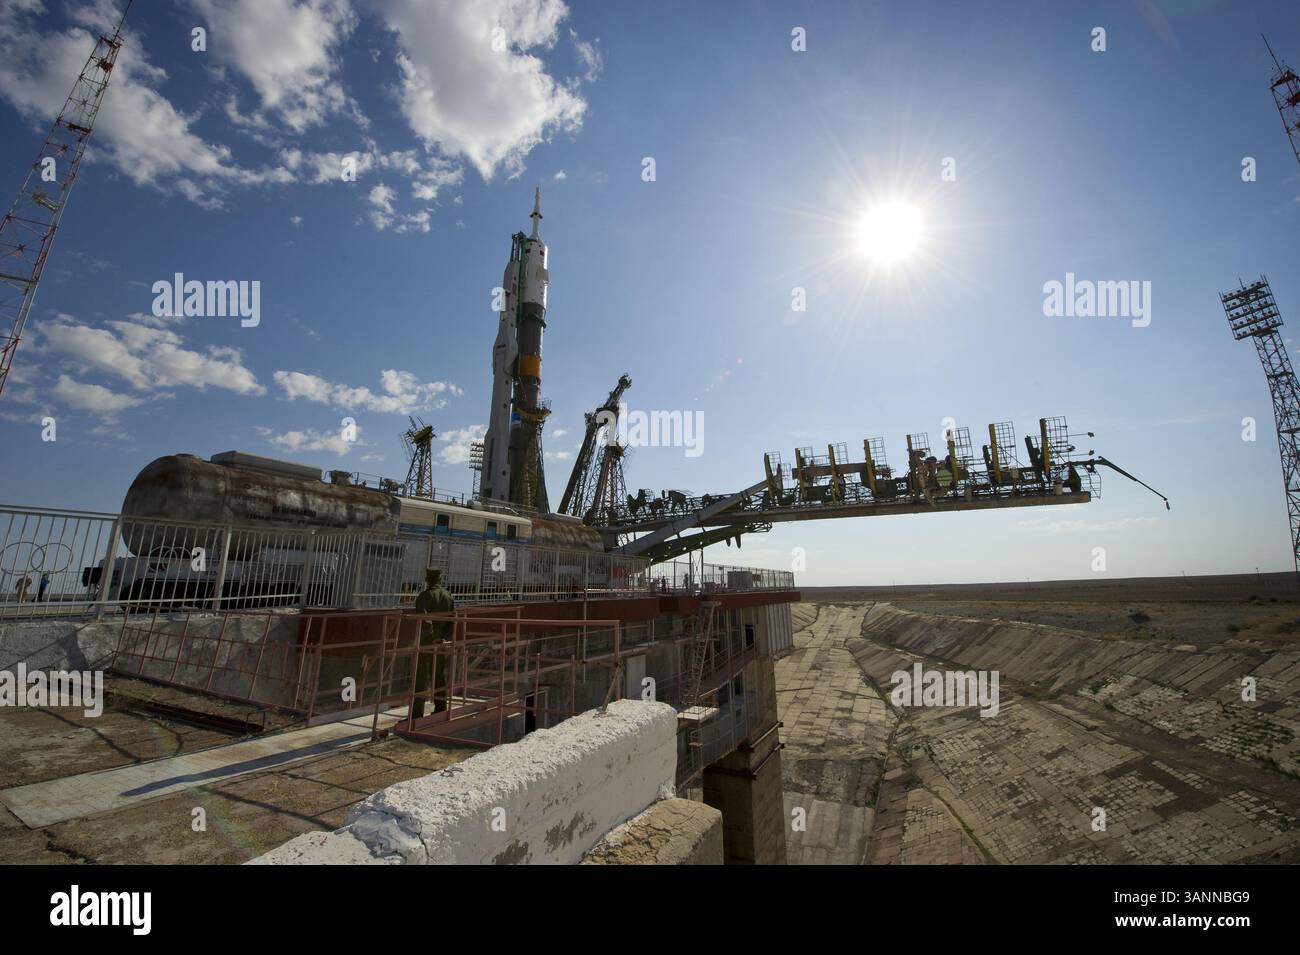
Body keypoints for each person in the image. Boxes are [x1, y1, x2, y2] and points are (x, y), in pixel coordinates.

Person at [411, 568, 455, 718]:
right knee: (438, 674)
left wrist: (430, 636)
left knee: (420, 675)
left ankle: (417, 713)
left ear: (427, 580)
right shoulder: (447, 595)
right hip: (441, 641)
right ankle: (441, 708)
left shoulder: (424, 596)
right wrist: (444, 637)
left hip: (426, 642)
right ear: (440, 579)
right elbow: (452, 619)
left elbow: (423, 619)